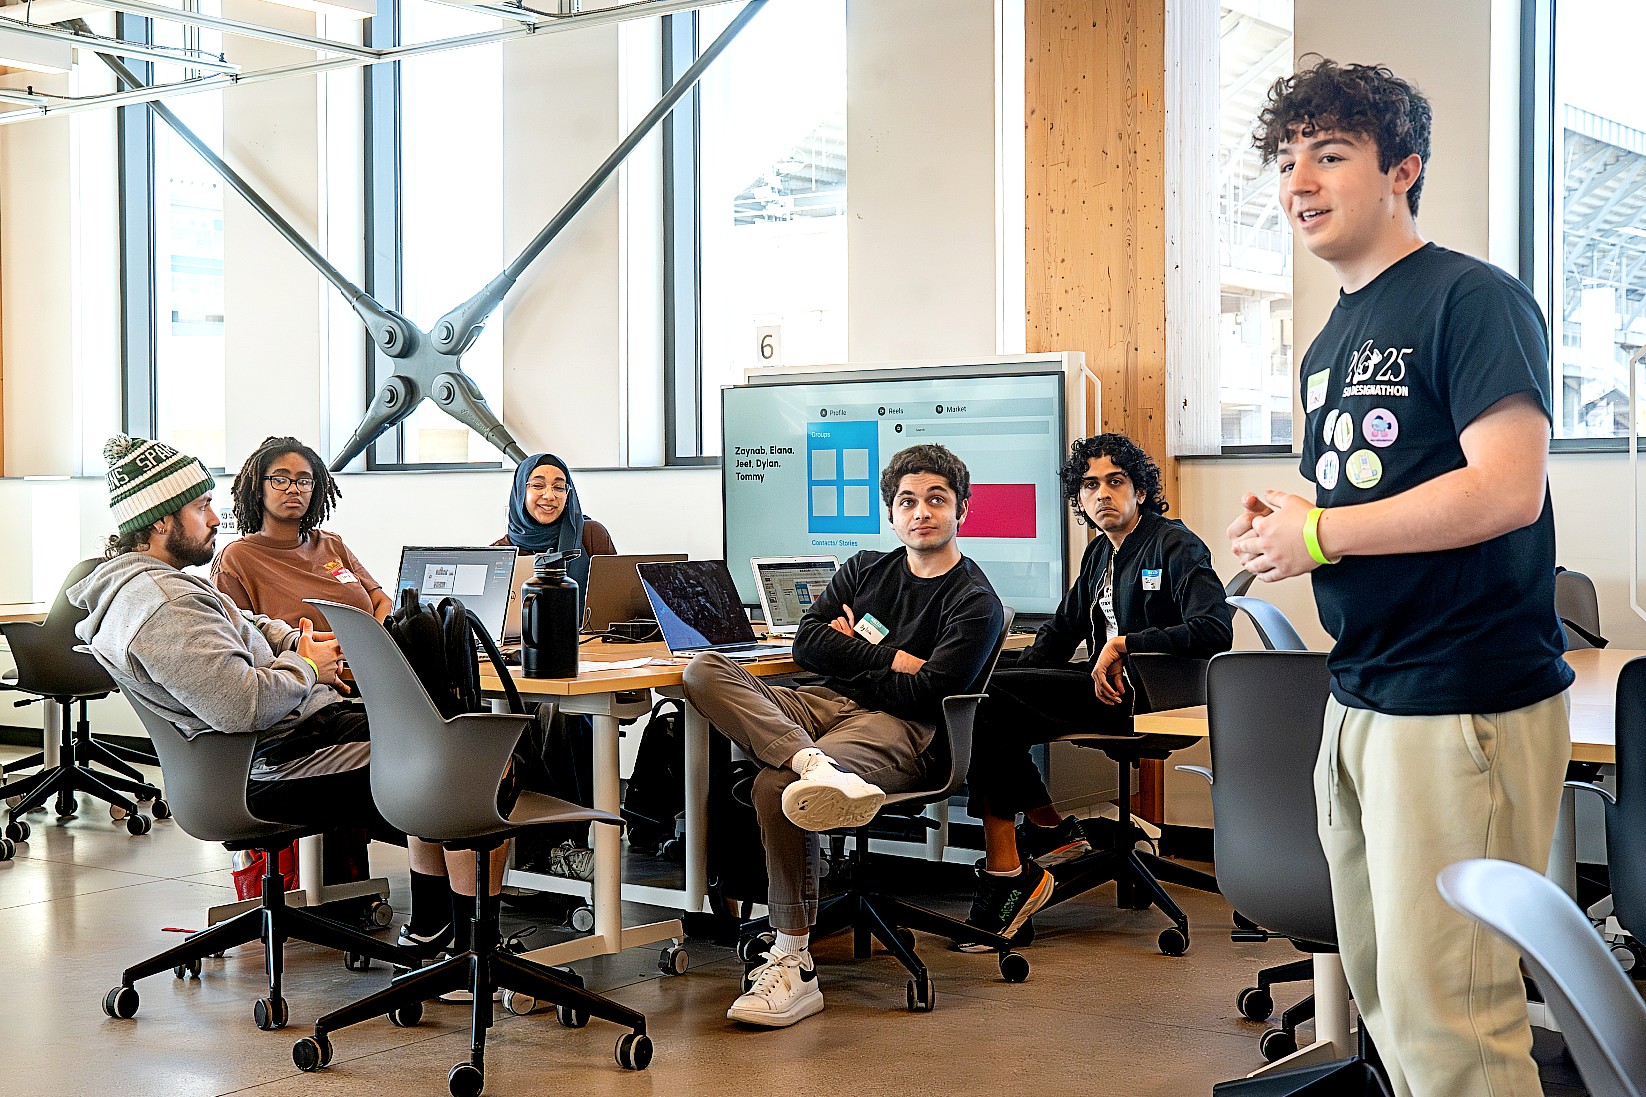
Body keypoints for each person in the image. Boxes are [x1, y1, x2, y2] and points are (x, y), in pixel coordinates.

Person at [1228, 58, 1572, 1097]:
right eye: (1286, 161)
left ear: (1401, 171)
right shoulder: (1329, 338)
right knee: (1389, 996)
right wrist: (1283, 529)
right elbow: (1372, 498)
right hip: (1363, 688)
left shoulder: (1469, 297)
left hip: (1459, 694)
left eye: (1329, 155)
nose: (1299, 180)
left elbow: (1505, 489)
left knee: (1452, 1018)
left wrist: (1321, 533)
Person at [70, 435, 512, 990]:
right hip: (268, 763)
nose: (214, 517)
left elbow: (253, 628)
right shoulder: (166, 606)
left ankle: (434, 933)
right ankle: (474, 953)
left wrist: (296, 644)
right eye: (200, 507)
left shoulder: (163, 587)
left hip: (288, 739)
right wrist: (307, 665)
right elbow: (242, 703)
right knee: (466, 759)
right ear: (161, 523)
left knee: (436, 735)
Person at [682, 443, 1005, 1029]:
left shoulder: (975, 602)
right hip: (818, 708)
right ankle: (810, 761)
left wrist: (855, 650)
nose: (922, 513)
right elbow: (807, 642)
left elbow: (926, 695)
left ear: (963, 509)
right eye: (907, 501)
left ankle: (794, 958)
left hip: (902, 732)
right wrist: (892, 659)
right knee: (703, 671)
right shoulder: (864, 568)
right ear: (891, 512)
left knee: (774, 786)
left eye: (937, 499)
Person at [963, 433, 1232, 942]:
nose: (1103, 494)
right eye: (1090, 485)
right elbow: (1059, 636)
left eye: (1116, 481)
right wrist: (997, 667)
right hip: (1105, 690)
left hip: (1153, 698)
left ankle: (1023, 860)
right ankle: (1040, 840)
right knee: (986, 696)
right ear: (1079, 499)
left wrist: (1124, 644)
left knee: (991, 701)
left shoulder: (1174, 544)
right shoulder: (1098, 555)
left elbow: (1215, 629)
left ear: (1141, 490)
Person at [213, 435, 391, 630]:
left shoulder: (331, 543)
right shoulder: (235, 560)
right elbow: (239, 638)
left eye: (304, 481)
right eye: (280, 480)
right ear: (258, 489)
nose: (293, 489)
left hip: (368, 657)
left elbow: (382, 602)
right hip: (302, 661)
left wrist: (375, 646)